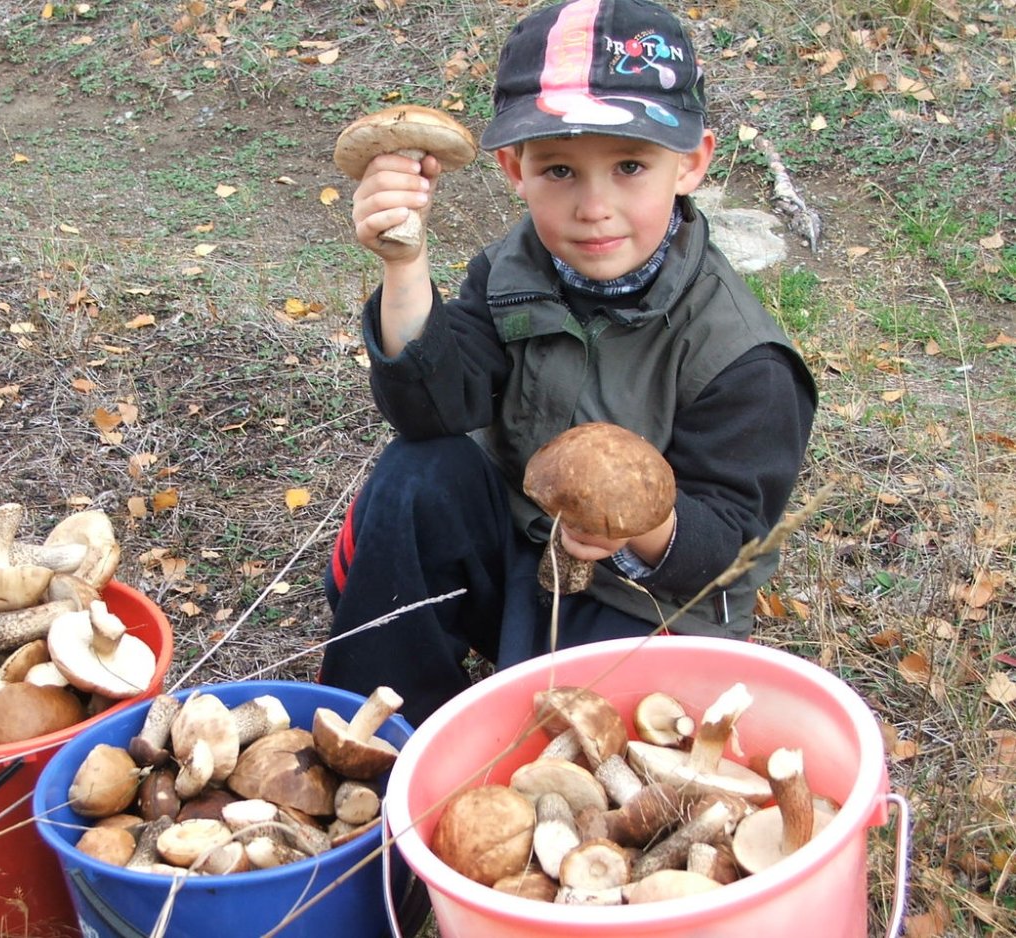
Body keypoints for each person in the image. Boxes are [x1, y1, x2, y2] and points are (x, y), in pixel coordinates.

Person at [320, 0, 817, 729]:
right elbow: (435, 411)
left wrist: (635, 531)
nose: (594, 206)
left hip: (641, 599)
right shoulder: (511, 271)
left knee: (565, 743)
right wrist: (404, 268)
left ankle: (521, 744)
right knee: (417, 475)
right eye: (559, 169)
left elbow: (728, 541)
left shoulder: (742, 358)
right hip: (521, 553)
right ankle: (377, 738)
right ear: (513, 169)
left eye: (629, 166)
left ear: (693, 163)